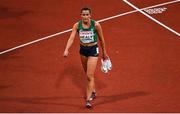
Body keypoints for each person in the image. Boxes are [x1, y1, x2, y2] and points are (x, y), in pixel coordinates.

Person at [63, 6, 109, 108]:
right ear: (81, 15)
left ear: (90, 15)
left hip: (93, 50)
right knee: (87, 73)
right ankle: (93, 91)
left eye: (87, 14)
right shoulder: (77, 25)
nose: (85, 16)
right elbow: (71, 38)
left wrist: (104, 52)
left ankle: (88, 100)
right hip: (83, 51)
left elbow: (102, 39)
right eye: (83, 14)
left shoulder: (96, 25)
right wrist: (66, 49)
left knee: (89, 75)